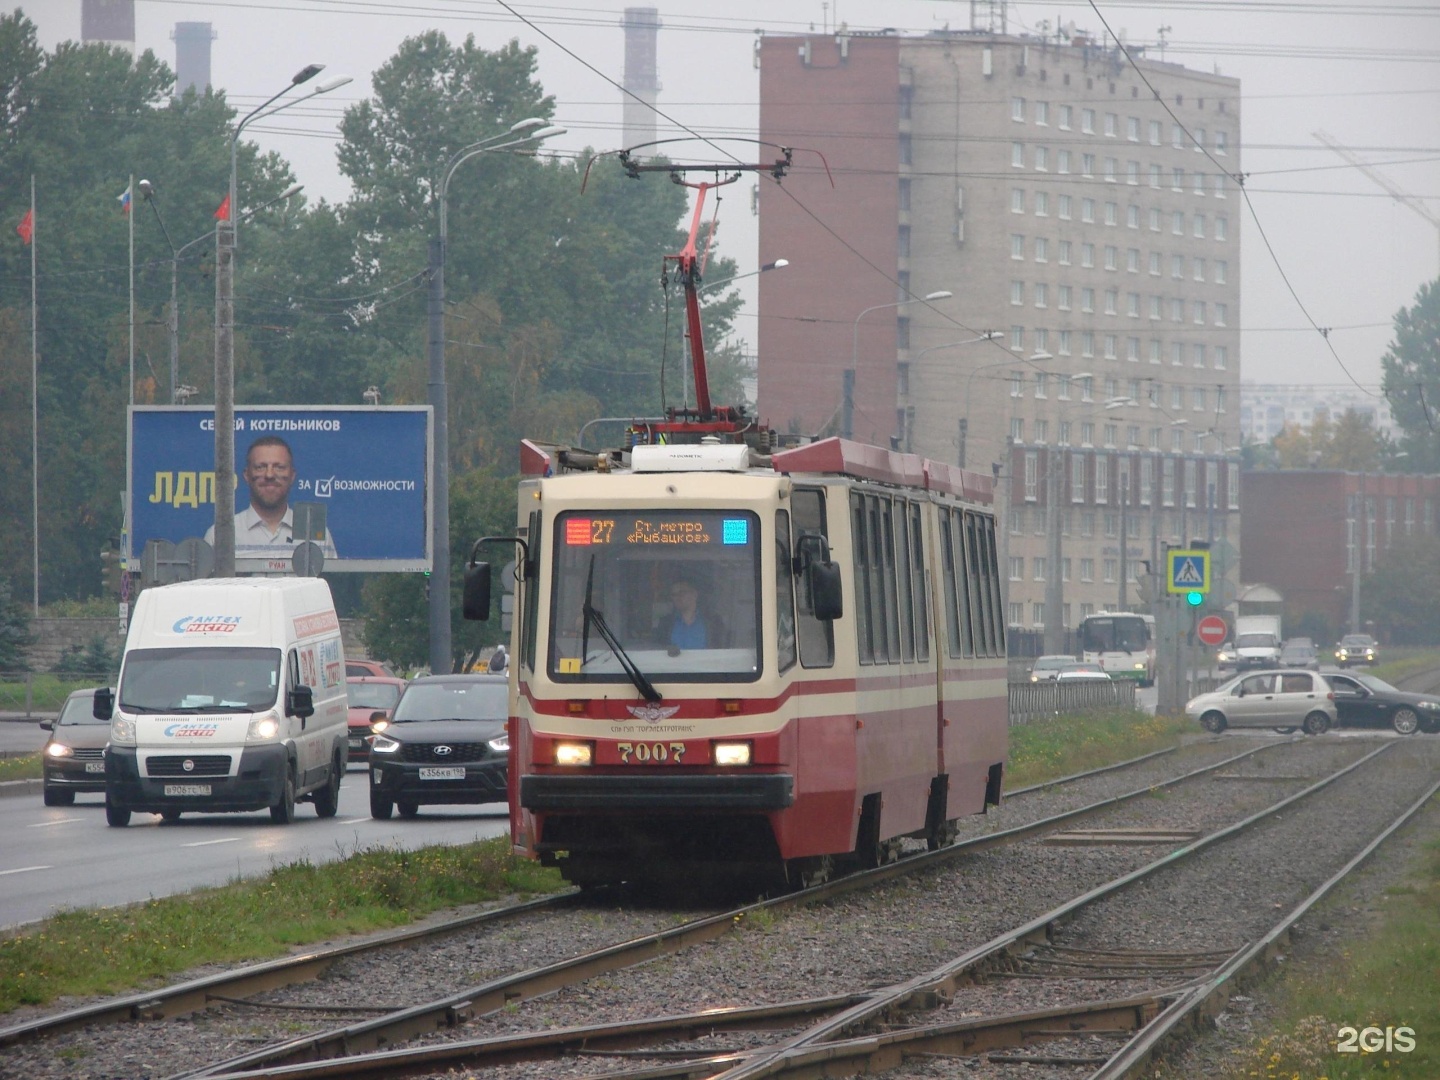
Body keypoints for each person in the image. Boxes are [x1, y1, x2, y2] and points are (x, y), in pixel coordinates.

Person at [204, 435, 337, 557]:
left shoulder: (318, 536)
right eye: (260, 467)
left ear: (292, 475)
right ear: (246, 475)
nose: (269, 475)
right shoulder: (220, 535)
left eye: (279, 467)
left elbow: (331, 583)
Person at [660, 579, 726, 650]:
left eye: (681, 593)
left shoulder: (713, 621)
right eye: (674, 594)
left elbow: (720, 650)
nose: (677, 597)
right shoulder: (665, 623)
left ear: (694, 594)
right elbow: (658, 650)